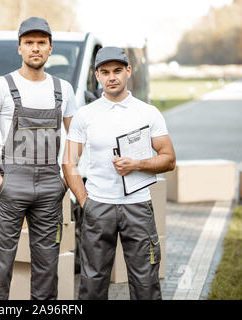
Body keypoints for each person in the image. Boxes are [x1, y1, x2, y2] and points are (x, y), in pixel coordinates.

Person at [0, 17, 77, 300]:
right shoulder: (1, 87)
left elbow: (77, 139)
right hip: (10, 186)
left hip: (49, 188)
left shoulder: (63, 89)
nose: (35, 48)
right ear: (19, 48)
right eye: (29, 43)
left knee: (47, 268)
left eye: (41, 43)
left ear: (50, 48)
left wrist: (66, 180)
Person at [62, 46, 176, 300]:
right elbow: (68, 162)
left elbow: (169, 159)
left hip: (138, 206)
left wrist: (137, 164)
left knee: (146, 283)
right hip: (98, 207)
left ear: (128, 71)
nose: (111, 77)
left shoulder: (147, 113)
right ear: (97, 76)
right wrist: (85, 202)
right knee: (92, 284)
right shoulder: (85, 115)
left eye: (117, 71)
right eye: (104, 72)